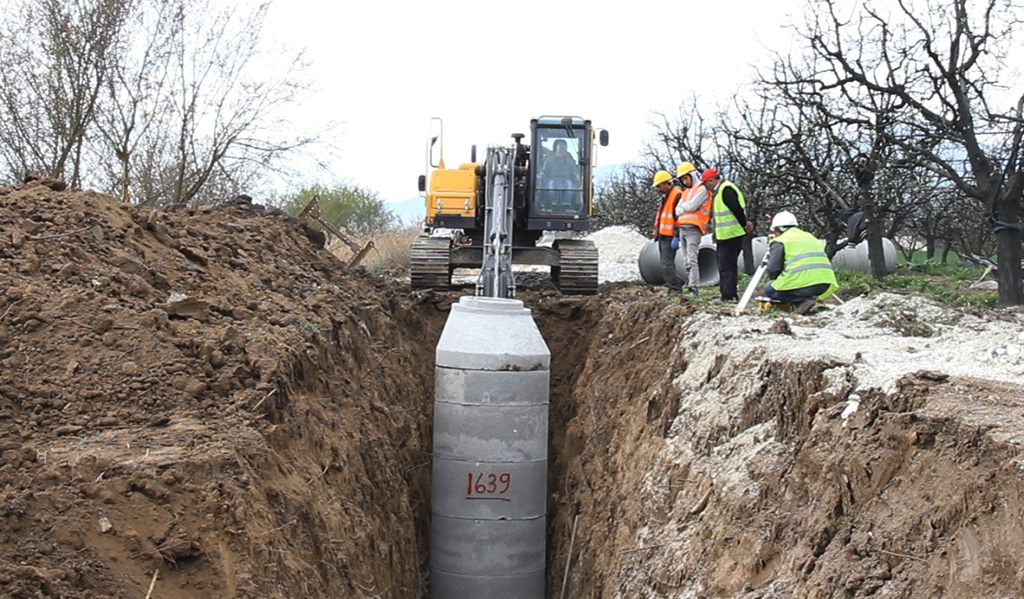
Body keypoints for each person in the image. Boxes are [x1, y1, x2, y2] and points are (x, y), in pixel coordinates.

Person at [764, 210, 838, 315]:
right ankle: (812, 302)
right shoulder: (809, 236)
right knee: (792, 286)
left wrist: (774, 277)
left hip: (804, 285)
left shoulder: (781, 240)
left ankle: (802, 302)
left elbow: (773, 269)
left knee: (770, 289)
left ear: (777, 229)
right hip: (825, 283)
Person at [702, 168, 753, 303]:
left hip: (731, 234)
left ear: (711, 181)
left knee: (727, 266)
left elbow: (736, 209)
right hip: (727, 235)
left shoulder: (726, 189)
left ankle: (728, 296)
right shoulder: (722, 190)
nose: (706, 187)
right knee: (726, 265)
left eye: (706, 183)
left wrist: (743, 225)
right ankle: (728, 294)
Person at [673, 162, 711, 296]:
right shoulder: (686, 192)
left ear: (692, 175)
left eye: (686, 178)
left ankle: (694, 288)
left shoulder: (702, 190)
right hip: (683, 228)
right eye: (682, 179)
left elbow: (691, 207)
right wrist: (685, 207)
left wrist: (684, 207)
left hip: (694, 229)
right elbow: (677, 210)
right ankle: (691, 285)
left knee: (691, 259)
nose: (685, 181)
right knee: (686, 260)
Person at [651, 170, 684, 294]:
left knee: (667, 265)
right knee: (665, 265)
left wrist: (676, 235)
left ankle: (675, 289)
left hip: (670, 236)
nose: (658, 189)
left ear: (666, 183)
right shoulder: (668, 196)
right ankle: (673, 288)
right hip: (664, 235)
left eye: (659, 185)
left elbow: (679, 217)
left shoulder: (676, 195)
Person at [540, 140, 581, 209]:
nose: (561, 153)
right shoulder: (550, 160)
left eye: (563, 151)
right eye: (559, 151)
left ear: (565, 152)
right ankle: (552, 201)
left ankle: (566, 202)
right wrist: (542, 174)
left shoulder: (569, 161)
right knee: (551, 184)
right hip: (553, 179)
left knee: (569, 185)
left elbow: (574, 171)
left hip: (566, 180)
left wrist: (576, 176)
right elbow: (545, 171)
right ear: (556, 151)